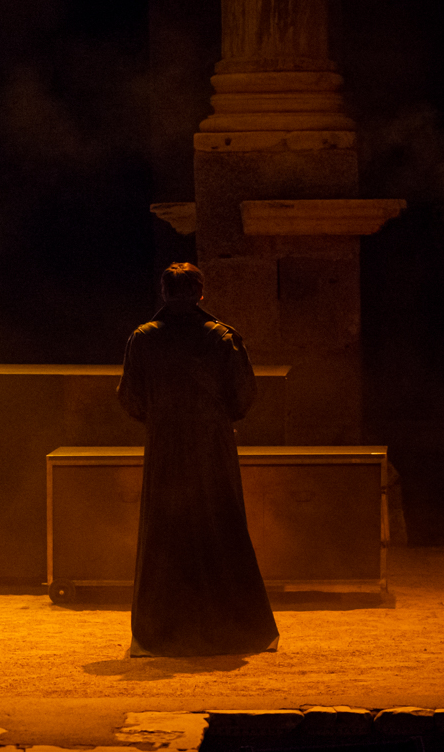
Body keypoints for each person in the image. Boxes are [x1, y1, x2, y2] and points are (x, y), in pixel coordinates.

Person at [117, 262, 279, 657]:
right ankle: (238, 626)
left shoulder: (143, 339)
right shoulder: (223, 339)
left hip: (166, 446)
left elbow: (129, 398)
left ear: (163, 292)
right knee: (221, 526)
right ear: (201, 293)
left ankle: (161, 630)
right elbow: (243, 396)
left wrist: (162, 418)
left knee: (165, 532)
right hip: (212, 446)